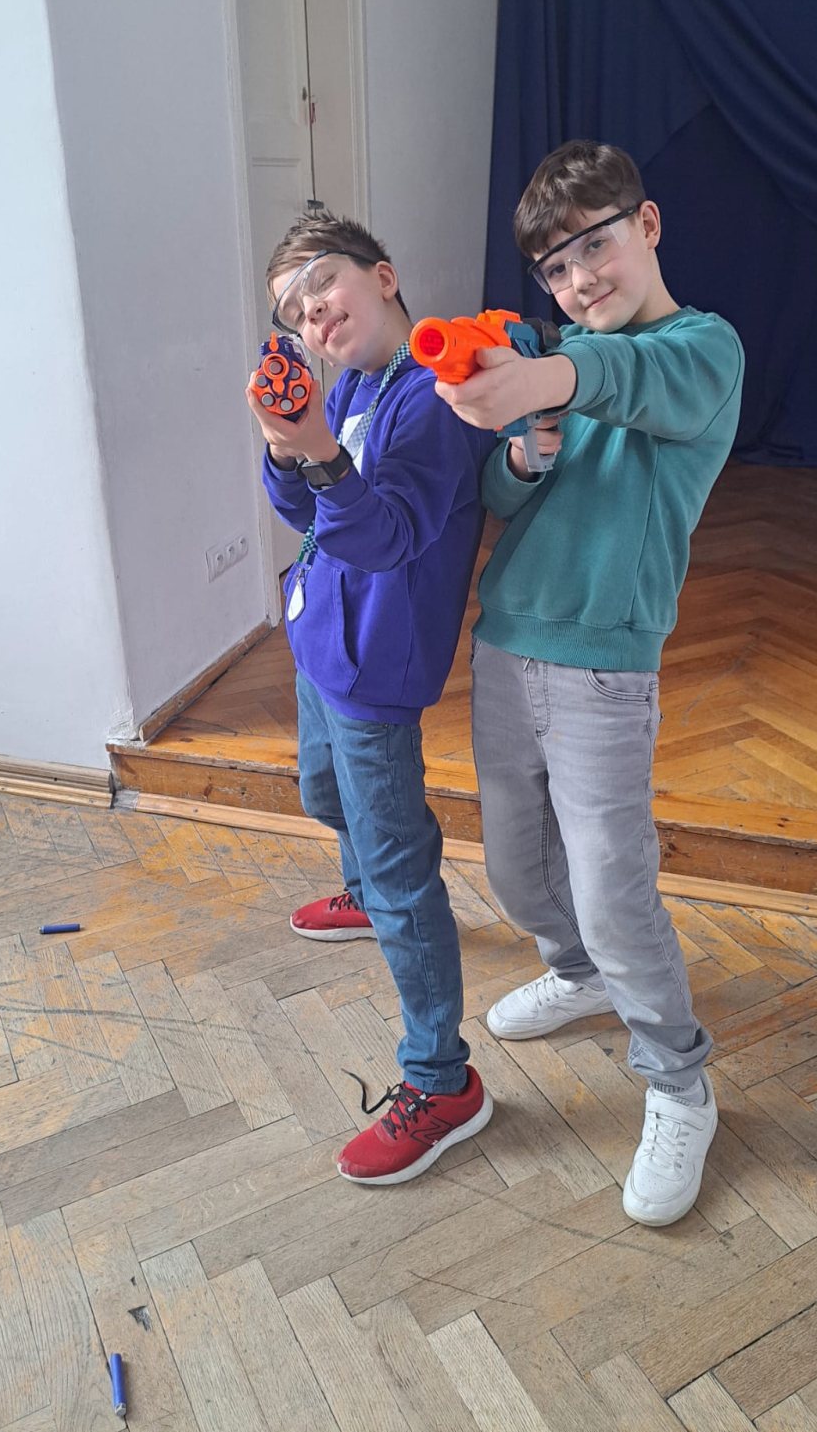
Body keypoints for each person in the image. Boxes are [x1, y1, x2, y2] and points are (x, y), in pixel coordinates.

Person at [436, 141, 745, 1226]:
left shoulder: (701, 348)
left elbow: (633, 379)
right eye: (556, 270)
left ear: (646, 226)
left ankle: (677, 1081)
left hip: (605, 670)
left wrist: (551, 377)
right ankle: (577, 972)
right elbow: (504, 493)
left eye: (594, 248)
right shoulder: (562, 361)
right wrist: (527, 447)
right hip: (507, 647)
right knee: (517, 867)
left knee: (615, 887)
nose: (578, 281)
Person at [246, 209, 496, 1186]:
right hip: (320, 642)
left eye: (322, 284)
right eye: (292, 310)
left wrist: (316, 446)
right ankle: (364, 890)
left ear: (382, 275)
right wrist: (286, 449)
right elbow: (306, 514)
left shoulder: (434, 400)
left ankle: (442, 1081)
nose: (310, 313)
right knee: (322, 792)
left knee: (403, 875)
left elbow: (387, 536)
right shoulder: (349, 384)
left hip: (377, 669)